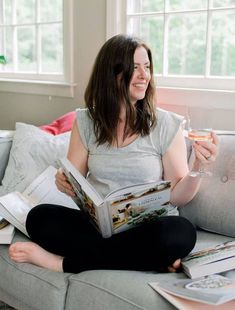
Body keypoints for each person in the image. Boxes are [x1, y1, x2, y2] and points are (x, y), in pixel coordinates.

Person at [9, 34, 219, 273]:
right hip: (98, 226)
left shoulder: (166, 124)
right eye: (135, 68)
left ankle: (62, 263)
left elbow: (178, 197)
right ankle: (148, 259)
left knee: (180, 233)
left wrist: (199, 169)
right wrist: (63, 181)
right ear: (112, 73)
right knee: (39, 218)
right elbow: (74, 180)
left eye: (147, 67)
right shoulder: (86, 121)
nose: (144, 76)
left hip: (148, 227)